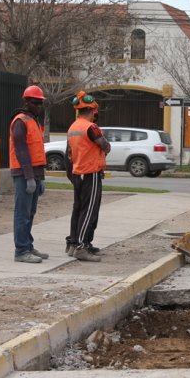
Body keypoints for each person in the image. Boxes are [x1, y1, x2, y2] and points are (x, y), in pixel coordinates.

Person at [65, 91, 110, 262]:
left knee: (78, 210)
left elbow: (69, 153)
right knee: (89, 211)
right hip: (91, 173)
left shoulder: (72, 127)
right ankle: (81, 247)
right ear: (92, 111)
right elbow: (105, 146)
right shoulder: (91, 128)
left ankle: (73, 242)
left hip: (78, 172)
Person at [9, 85, 49, 263]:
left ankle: (28, 245)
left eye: (40, 103)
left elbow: (37, 152)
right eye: (35, 103)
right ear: (27, 102)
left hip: (35, 173)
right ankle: (21, 250)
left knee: (30, 213)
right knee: (22, 213)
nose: (39, 106)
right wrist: (29, 177)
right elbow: (21, 151)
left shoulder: (34, 121)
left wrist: (40, 178)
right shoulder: (20, 121)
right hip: (24, 174)